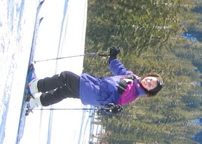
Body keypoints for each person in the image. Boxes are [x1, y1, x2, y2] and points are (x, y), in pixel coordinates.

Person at [28, 47, 163, 110]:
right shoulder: (132, 78)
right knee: (65, 91)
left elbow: (115, 103)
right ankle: (36, 102)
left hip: (95, 93)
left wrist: (111, 108)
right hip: (94, 86)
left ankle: (35, 86)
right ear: (149, 76)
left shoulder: (133, 93)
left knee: (65, 77)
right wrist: (112, 58)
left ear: (149, 91)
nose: (148, 82)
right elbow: (119, 70)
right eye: (150, 79)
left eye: (150, 85)